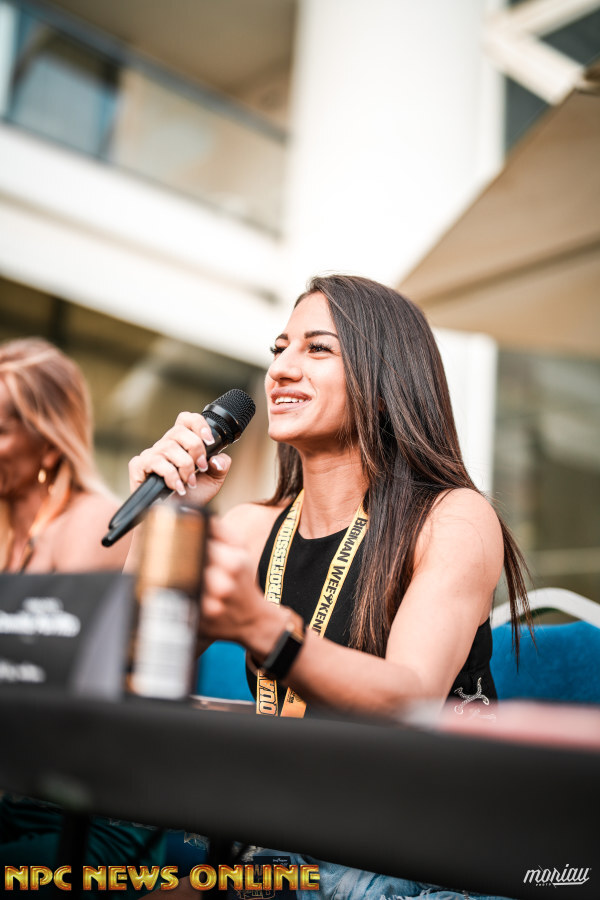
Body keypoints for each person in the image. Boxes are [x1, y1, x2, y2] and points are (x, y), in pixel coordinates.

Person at [129, 275, 531, 899]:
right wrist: (164, 523)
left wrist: (266, 629)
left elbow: (410, 698)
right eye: (279, 348)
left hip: (425, 851)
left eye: (317, 349)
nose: (282, 369)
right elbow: (126, 664)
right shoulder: (250, 528)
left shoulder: (452, 518)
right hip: (291, 844)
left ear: (385, 380)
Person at [0, 337, 164, 892]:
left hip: (93, 815)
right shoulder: (9, 536)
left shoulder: (93, 523)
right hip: (23, 795)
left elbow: (56, 689)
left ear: (49, 446)